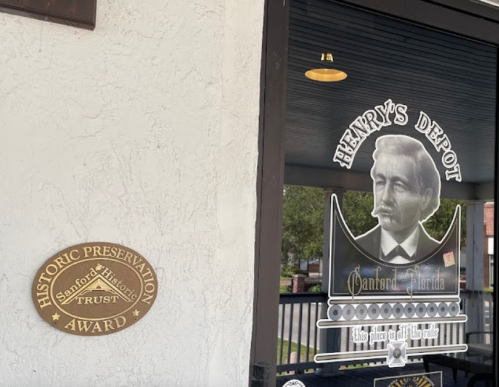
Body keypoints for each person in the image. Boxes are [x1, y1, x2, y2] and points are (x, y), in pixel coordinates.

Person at [355, 135, 441, 264]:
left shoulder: (442, 256)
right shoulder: (352, 251)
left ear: (425, 198)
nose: (385, 198)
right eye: (380, 182)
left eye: (399, 185)